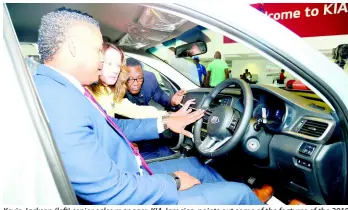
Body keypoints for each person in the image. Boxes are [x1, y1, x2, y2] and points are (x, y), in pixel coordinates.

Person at [33, 7, 263, 205]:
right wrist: (172, 181)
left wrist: (164, 121)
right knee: (240, 194)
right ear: (74, 47)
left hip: (131, 172)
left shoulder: (63, 88)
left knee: (196, 165)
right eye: (97, 50)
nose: (102, 61)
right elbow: (109, 191)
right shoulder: (58, 100)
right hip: (128, 188)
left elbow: (113, 125)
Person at [87, 42, 194, 159]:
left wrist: (171, 114)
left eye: (117, 65)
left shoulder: (109, 91)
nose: (114, 70)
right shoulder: (86, 93)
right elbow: (116, 127)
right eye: (109, 63)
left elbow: (137, 110)